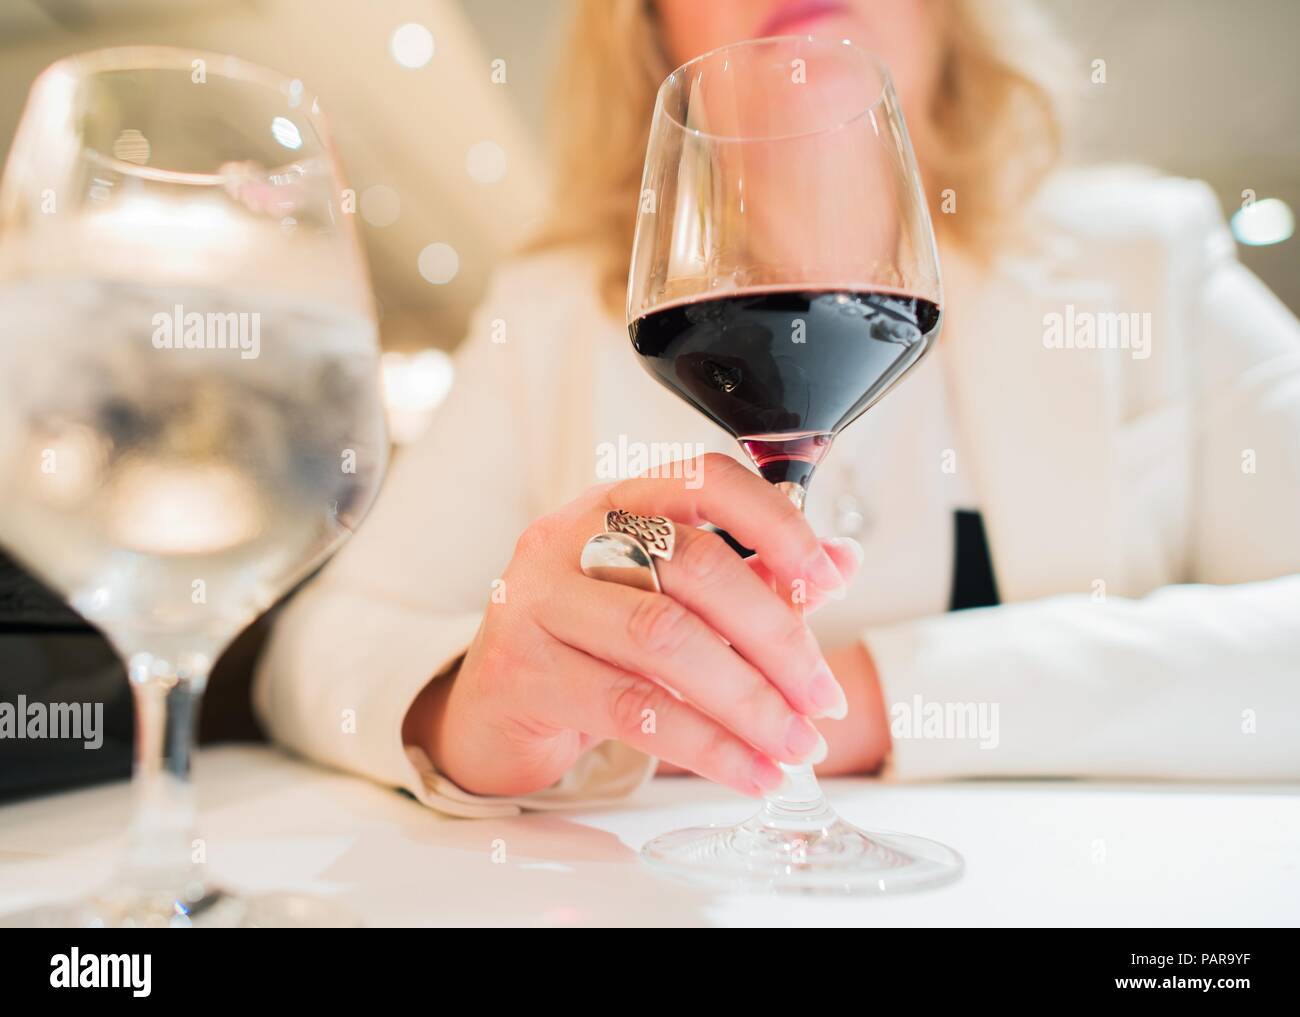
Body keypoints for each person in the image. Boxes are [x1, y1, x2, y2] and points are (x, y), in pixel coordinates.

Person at [253, 0, 1300, 817]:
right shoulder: (549, 318)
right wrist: (467, 710)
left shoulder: (1148, 262)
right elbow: (320, 651)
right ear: (653, 31)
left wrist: (871, 698)